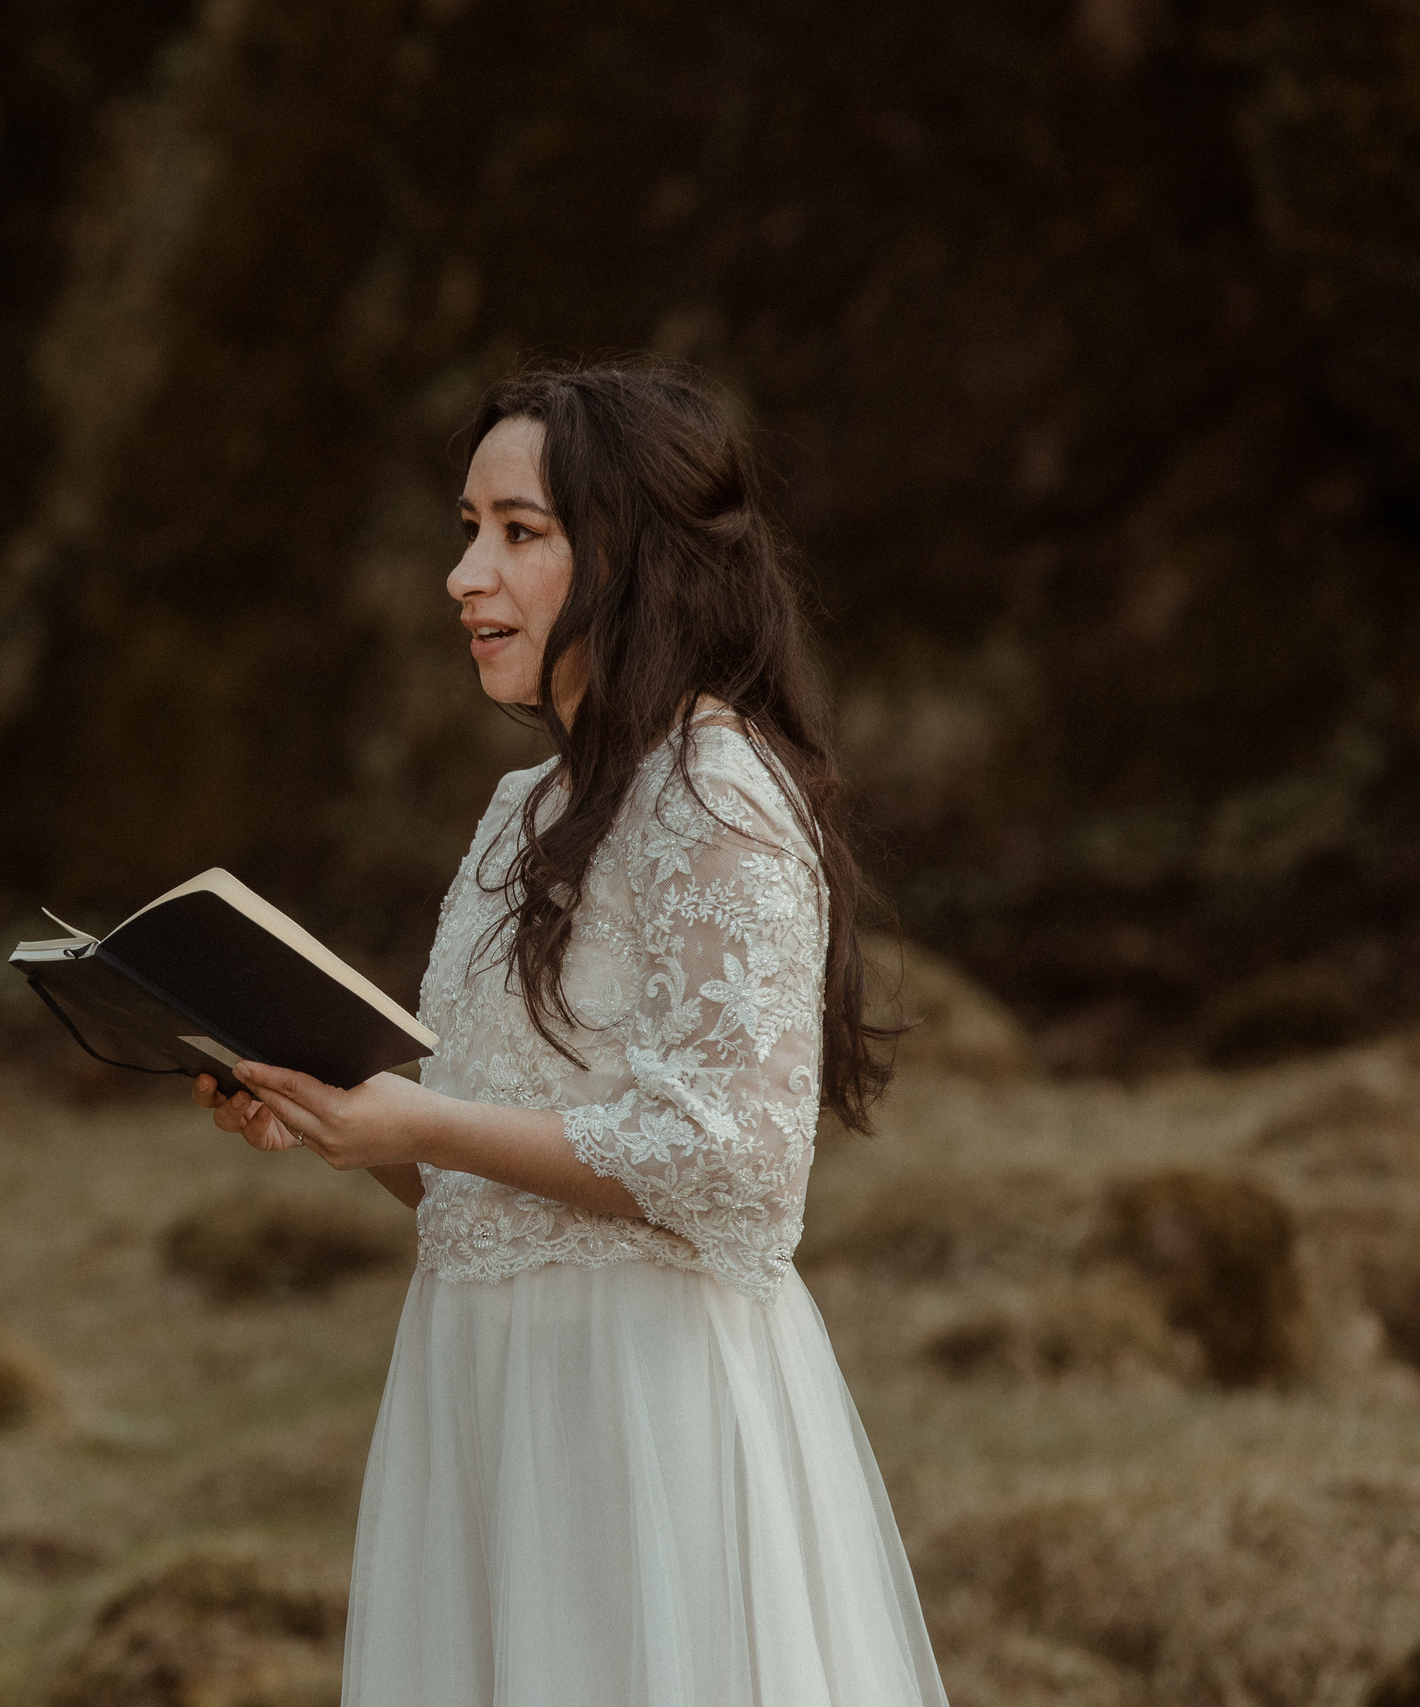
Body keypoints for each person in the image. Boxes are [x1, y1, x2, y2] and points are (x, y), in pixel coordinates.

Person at [192, 360, 948, 1704]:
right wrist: (348, 1124)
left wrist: (417, 1116)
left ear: (637, 559)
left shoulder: (720, 793)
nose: (465, 574)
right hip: (482, 1397)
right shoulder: (520, 813)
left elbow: (741, 1169)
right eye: (467, 529)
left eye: (519, 533)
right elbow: (490, 1176)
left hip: (643, 1419)